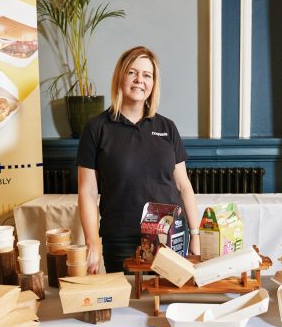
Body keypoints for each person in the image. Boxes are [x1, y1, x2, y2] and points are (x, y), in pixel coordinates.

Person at [76, 46, 201, 274]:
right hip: (122, 241)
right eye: (132, 72)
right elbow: (87, 192)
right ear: (120, 77)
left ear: (153, 83)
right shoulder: (97, 128)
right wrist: (92, 242)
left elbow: (184, 186)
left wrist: (195, 234)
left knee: (167, 304)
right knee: (129, 307)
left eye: (147, 75)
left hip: (171, 238)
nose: (139, 80)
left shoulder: (167, 127)